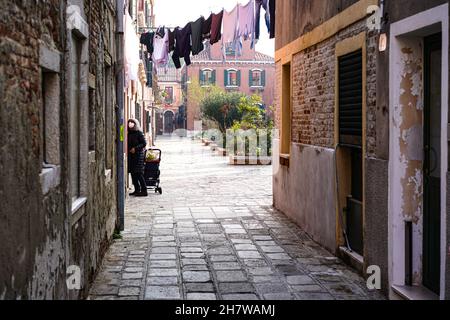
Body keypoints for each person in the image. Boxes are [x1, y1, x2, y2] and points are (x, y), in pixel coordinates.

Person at [127, 118, 148, 197]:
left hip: (138, 156)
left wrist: (135, 148)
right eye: (129, 123)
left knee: (139, 173)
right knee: (133, 173)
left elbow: (144, 143)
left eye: (132, 123)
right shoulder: (129, 133)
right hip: (131, 156)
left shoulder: (139, 133)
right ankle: (137, 190)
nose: (130, 125)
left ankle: (144, 190)